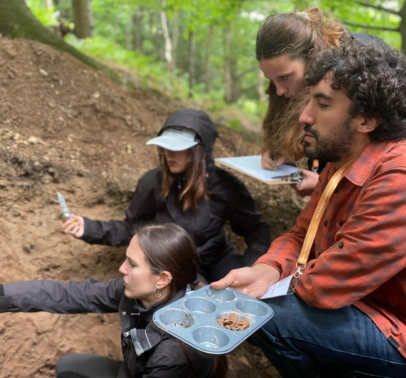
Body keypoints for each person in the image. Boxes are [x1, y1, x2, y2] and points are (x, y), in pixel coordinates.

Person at [212, 42, 406, 377]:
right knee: (253, 307)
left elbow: (325, 286)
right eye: (309, 100)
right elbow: (303, 233)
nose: (304, 116)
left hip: (394, 325)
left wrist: (274, 287)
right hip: (355, 302)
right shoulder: (342, 158)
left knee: (262, 316)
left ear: (366, 120)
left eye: (323, 103)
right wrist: (267, 269)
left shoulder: (397, 176)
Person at [0, 223, 227, 378]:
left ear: (162, 279)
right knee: (69, 368)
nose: (122, 269)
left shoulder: (174, 353)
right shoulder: (151, 290)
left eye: (132, 264)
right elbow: (68, 294)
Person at [63, 108, 271, 282]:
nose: (168, 153)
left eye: (177, 148)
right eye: (165, 147)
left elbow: (255, 229)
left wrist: (253, 266)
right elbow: (132, 229)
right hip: (173, 268)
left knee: (234, 294)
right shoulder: (152, 183)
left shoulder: (227, 186)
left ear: (199, 151)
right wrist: (88, 228)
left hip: (218, 260)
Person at [256, 7, 384, 196]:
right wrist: (278, 153)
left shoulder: (359, 71)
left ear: (311, 57)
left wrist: (326, 186)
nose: (279, 91)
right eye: (271, 79)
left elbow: (380, 166)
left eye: (284, 78)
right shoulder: (292, 79)